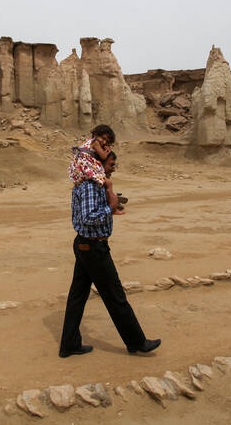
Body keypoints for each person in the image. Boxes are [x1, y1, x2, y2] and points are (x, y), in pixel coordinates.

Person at [59, 151, 161, 357]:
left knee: (77, 297)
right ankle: (137, 342)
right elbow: (88, 217)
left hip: (86, 246)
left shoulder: (94, 185)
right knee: (115, 296)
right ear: (99, 165)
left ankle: (69, 344)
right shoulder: (90, 185)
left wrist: (110, 199)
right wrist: (109, 207)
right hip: (93, 248)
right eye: (111, 164)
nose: (114, 167)